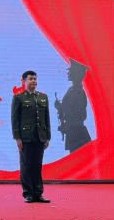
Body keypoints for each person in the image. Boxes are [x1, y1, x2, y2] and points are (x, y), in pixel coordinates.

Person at [11, 70, 51, 203]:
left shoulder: (43, 97)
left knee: (37, 165)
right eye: (30, 79)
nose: (33, 81)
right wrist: (17, 138)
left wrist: (48, 137)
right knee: (26, 166)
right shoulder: (19, 98)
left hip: (40, 136)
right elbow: (15, 119)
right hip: (26, 137)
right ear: (24, 81)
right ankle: (28, 193)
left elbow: (46, 118)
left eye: (35, 79)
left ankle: (38, 193)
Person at [54, 58, 91, 153]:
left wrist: (61, 108)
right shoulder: (73, 90)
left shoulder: (77, 92)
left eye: (70, 70)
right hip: (74, 133)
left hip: (77, 134)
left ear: (76, 73)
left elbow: (79, 115)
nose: (68, 72)